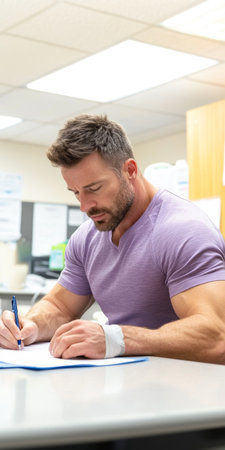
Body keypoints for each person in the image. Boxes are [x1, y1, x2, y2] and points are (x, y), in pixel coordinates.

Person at [1, 114, 225, 364]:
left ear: (129, 170)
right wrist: (30, 325)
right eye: (76, 192)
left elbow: (216, 335)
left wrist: (118, 339)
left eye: (94, 189)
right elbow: (60, 306)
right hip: (123, 383)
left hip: (190, 390)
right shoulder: (87, 239)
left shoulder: (183, 231)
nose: (84, 206)